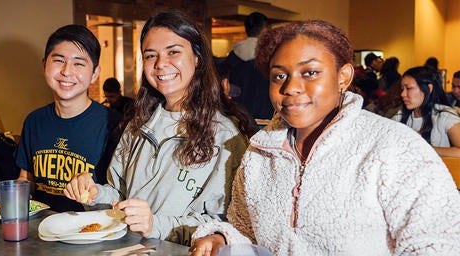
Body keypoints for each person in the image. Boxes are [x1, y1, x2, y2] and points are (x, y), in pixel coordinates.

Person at [190, 20, 460, 255]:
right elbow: (245, 231)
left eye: (310, 73)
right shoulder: (260, 154)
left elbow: (440, 245)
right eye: (279, 75)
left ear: (343, 77)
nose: (291, 87)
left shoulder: (394, 148)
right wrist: (222, 238)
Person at [63, 10, 255, 246]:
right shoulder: (139, 122)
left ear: (197, 58)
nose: (161, 64)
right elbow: (119, 196)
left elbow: (225, 225)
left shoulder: (226, 136)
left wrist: (155, 224)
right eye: (151, 55)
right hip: (125, 249)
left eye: (173, 52)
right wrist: (94, 194)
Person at [15, 25, 120, 213]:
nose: (66, 71)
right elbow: (26, 178)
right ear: (44, 65)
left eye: (78, 63)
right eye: (58, 60)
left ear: (95, 73)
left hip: (92, 232)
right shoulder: (34, 121)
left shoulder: (113, 125)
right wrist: (14, 195)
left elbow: (119, 192)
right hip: (42, 230)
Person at [392, 66, 460, 157]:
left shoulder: (444, 115)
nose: (403, 94)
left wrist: (424, 149)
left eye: (408, 89)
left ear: (429, 88)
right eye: (402, 89)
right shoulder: (400, 116)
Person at [224, 12, 274, 121]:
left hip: (239, 119)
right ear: (265, 30)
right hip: (266, 119)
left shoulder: (232, 56)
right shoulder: (270, 56)